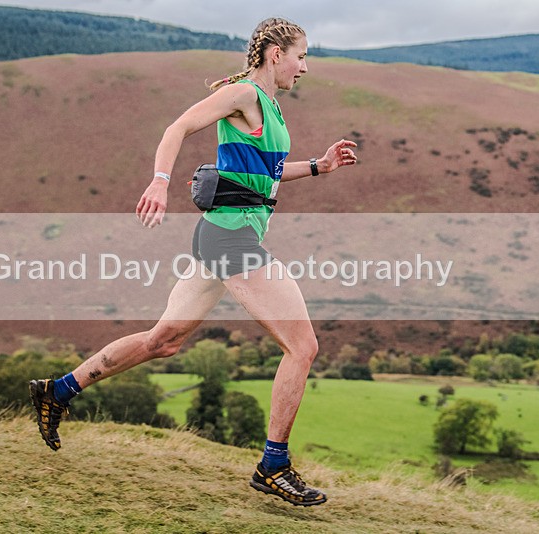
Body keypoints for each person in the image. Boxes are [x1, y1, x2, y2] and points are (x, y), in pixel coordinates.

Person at [29, 17, 357, 507]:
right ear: (275, 54)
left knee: (162, 342)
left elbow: (264, 175)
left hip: (219, 237)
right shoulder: (244, 94)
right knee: (303, 347)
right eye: (301, 56)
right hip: (231, 241)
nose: (305, 67)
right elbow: (177, 127)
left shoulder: (269, 107)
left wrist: (318, 166)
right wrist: (160, 181)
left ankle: (57, 390)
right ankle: (274, 464)